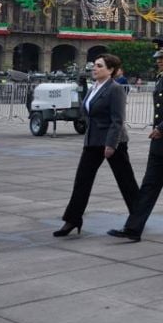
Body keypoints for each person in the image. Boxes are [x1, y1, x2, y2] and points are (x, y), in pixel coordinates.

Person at [107, 39, 163, 242]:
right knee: (148, 186)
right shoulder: (161, 78)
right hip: (160, 143)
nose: (158, 61)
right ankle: (133, 228)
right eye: (157, 58)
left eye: (162, 57)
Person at [54, 54, 139, 237]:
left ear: (110, 70)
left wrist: (111, 144)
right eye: (94, 65)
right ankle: (73, 219)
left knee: (126, 182)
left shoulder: (115, 89)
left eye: (99, 66)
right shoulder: (94, 87)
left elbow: (118, 120)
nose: (94, 68)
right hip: (92, 141)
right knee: (82, 181)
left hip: (113, 141)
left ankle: (138, 217)